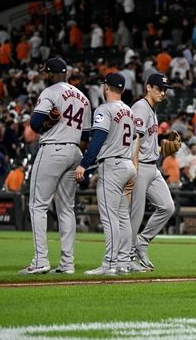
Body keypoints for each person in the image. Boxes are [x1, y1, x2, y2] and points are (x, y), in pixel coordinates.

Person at [19, 58, 91, 275]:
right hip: (75, 152)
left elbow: (34, 123)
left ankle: (40, 260)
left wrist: (48, 126)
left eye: (45, 73)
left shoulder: (50, 92)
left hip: (53, 149)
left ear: (50, 73)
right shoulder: (83, 97)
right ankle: (67, 264)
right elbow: (86, 136)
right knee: (67, 209)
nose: (44, 76)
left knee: (37, 205)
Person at [76, 73, 138, 276]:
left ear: (106, 87)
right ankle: (123, 262)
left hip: (113, 166)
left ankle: (110, 263)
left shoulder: (104, 109)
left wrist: (84, 164)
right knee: (122, 217)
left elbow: (98, 140)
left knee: (110, 218)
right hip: (128, 164)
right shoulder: (128, 110)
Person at [127, 73, 177, 271]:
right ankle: (128, 256)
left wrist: (162, 148)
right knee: (135, 215)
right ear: (148, 87)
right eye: (159, 88)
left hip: (152, 166)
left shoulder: (151, 109)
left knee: (167, 207)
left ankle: (142, 243)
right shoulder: (140, 107)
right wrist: (133, 168)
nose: (163, 92)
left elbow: (148, 143)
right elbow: (134, 140)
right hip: (140, 167)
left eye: (165, 89)